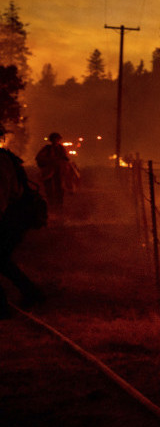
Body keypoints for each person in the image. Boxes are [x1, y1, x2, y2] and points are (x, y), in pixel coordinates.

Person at [0, 127, 47, 318]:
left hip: (13, 217)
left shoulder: (1, 161)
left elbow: (2, 195)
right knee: (2, 260)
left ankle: (3, 308)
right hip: (10, 216)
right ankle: (33, 294)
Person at [35, 132, 78, 210]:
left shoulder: (61, 148)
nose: (56, 141)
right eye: (54, 139)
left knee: (60, 188)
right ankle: (51, 204)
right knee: (49, 189)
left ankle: (59, 205)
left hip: (59, 171)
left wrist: (64, 159)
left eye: (57, 139)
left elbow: (65, 158)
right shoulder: (47, 148)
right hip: (49, 172)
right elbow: (39, 157)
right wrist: (52, 160)